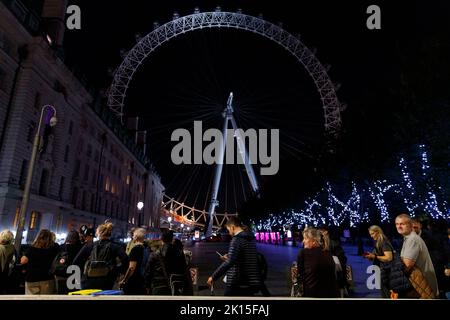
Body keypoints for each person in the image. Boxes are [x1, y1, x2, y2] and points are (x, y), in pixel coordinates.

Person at [207, 217, 261, 296]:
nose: (229, 233)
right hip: (252, 281)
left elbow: (229, 262)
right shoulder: (251, 238)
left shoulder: (236, 239)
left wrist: (213, 277)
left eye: (229, 230)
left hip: (238, 282)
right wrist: (230, 256)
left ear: (232, 227)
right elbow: (246, 255)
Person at [395, 214, 438, 298]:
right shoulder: (408, 238)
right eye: (397, 224)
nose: (399, 226)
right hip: (419, 287)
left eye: (402, 224)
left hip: (422, 288)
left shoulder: (412, 239)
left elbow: (407, 265)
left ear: (411, 225)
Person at [82, 223, 128, 290]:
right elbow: (126, 260)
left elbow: (76, 261)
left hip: (89, 279)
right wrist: (118, 271)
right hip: (107, 280)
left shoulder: (90, 245)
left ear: (98, 233)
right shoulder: (115, 246)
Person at [297, 227, 339, 298]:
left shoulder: (303, 253)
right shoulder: (327, 252)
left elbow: (301, 274)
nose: (303, 241)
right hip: (331, 294)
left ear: (313, 241)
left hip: (312, 295)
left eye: (305, 238)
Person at [21, 229, 59, 295]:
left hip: (32, 279)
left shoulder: (32, 249)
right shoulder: (55, 247)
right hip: (48, 279)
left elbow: (23, 261)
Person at [364, 225, 393, 298]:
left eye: (372, 234)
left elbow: (389, 257)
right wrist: (371, 256)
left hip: (385, 272)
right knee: (384, 293)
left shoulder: (384, 242)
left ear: (378, 232)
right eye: (370, 234)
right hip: (381, 271)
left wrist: (375, 257)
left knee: (386, 294)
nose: (371, 236)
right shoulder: (378, 242)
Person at [119, 228, 146, 295]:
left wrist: (124, 280)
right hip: (142, 279)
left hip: (134, 280)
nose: (133, 236)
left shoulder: (135, 249)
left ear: (136, 237)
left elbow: (131, 268)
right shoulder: (145, 249)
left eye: (133, 235)